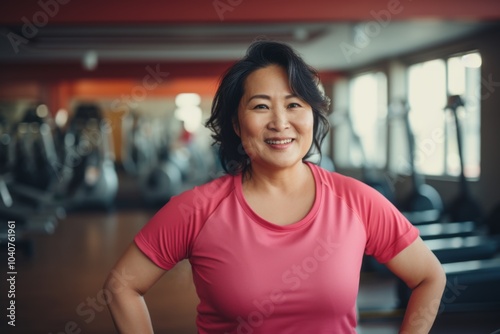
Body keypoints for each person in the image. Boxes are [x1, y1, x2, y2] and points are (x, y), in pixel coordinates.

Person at [104, 41, 446, 333]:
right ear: (237, 124)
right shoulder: (199, 209)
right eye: (261, 106)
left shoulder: (356, 200)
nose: (280, 122)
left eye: (294, 104)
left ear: (312, 115)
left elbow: (430, 277)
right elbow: (122, 285)